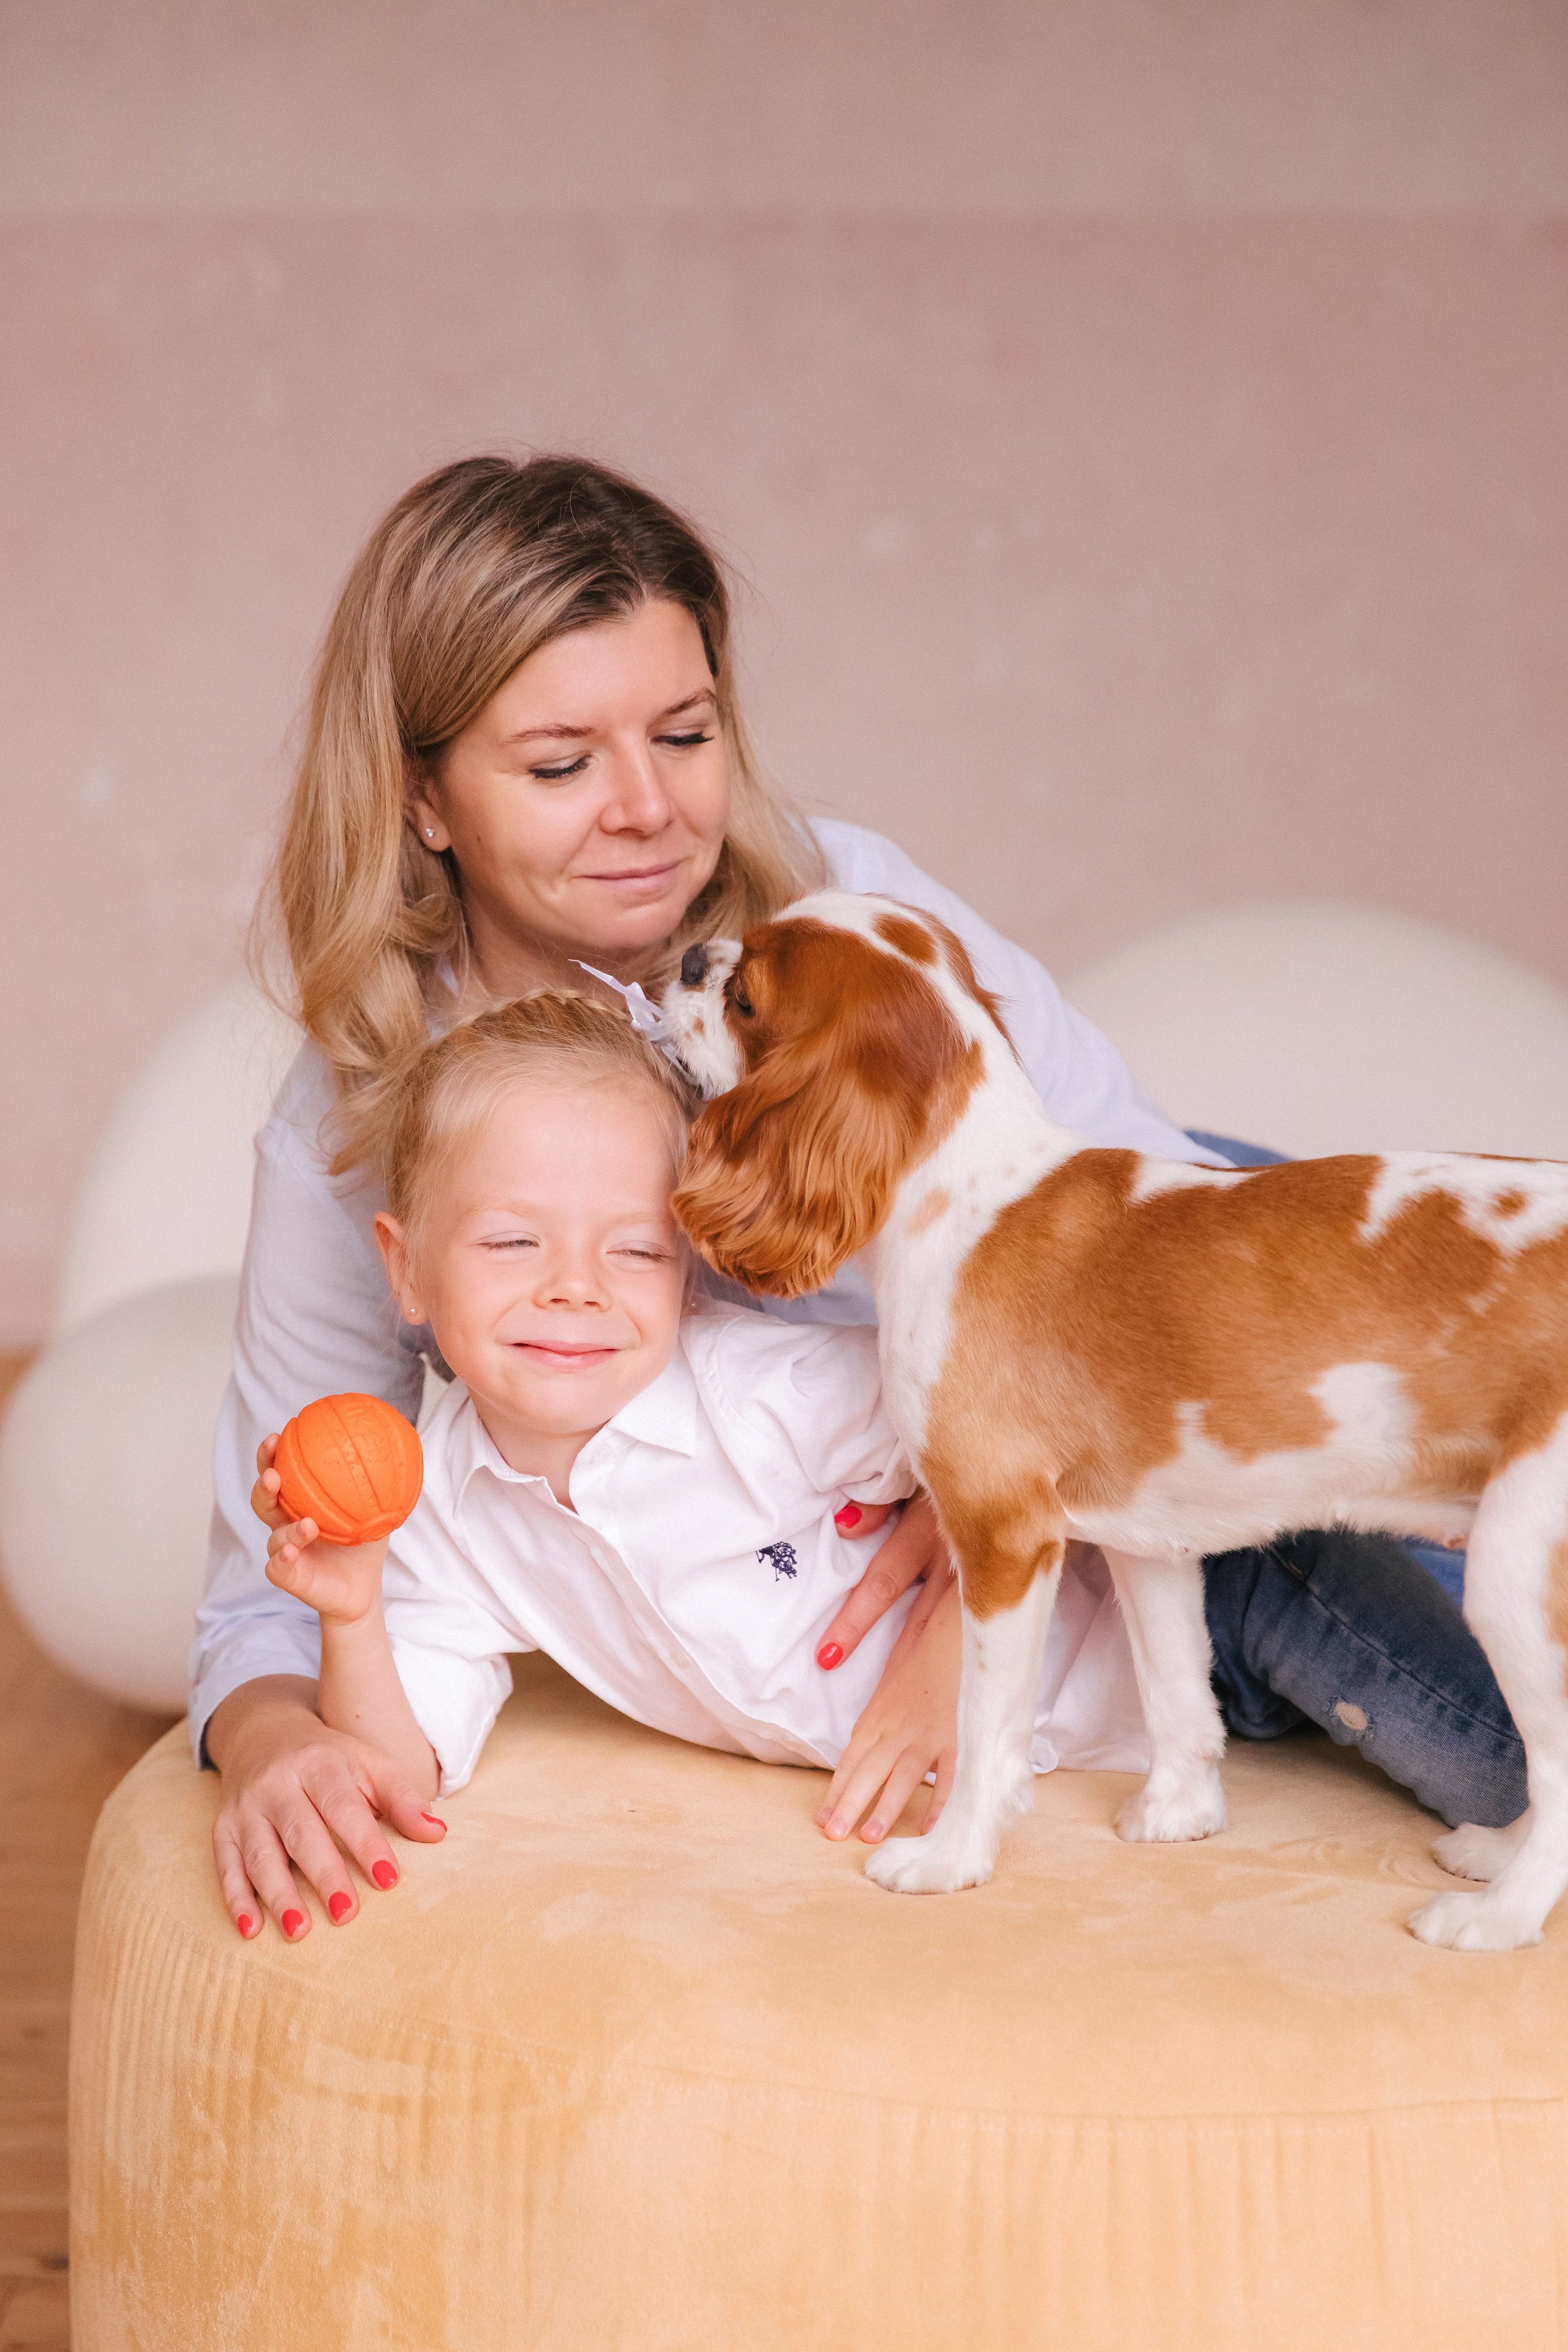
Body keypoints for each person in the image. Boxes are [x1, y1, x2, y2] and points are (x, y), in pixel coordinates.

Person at [195, 451, 1218, 1934]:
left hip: (1185, 1279)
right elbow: (270, 1569)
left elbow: (1161, 1232)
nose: (648, 812)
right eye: (559, 766)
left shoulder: (848, 920)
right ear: (422, 799)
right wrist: (280, 1741)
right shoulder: (352, 1124)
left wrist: (986, 1498)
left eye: (683, 735)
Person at [233, 994, 1526, 1943]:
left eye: (632, 1252)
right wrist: (346, 1612)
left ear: (685, 1272)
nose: (574, 1287)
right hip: (1181, 1692)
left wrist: (949, 1637)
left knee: (1506, 1764)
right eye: (513, 1241)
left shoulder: (766, 1393)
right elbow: (400, 1768)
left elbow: (1044, 1397)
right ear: (403, 1268)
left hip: (1239, 1579)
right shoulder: (447, 1514)